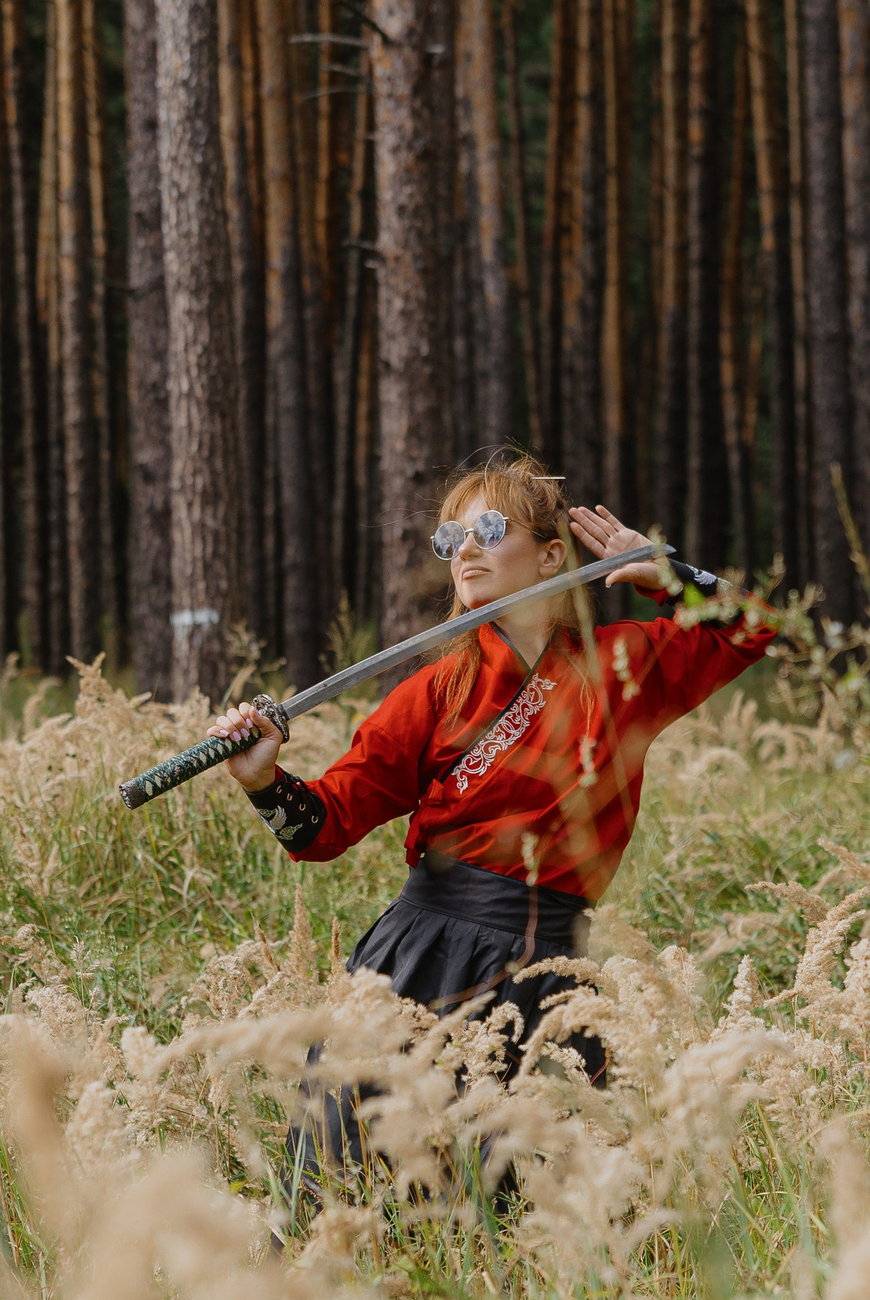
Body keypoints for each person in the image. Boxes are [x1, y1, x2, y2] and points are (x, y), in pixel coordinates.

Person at [206, 451, 775, 1188]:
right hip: (423, 960)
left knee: (542, 1214)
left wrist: (667, 575)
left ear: (550, 556)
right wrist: (264, 782)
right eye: (451, 538)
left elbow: (757, 631)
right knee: (356, 1192)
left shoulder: (624, 666)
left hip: (555, 972)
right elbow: (323, 828)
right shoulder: (434, 692)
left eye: (491, 530)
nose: (465, 550)